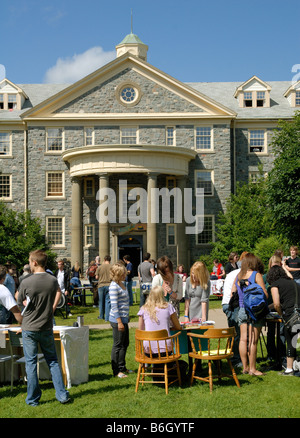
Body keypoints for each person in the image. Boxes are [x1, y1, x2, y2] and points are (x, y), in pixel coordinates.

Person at [17, 250, 70, 406]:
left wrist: (26, 304)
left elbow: (19, 301)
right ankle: (62, 395)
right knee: (53, 361)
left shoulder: (26, 282)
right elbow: (58, 294)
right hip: (46, 326)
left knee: (31, 363)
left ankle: (33, 399)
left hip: (29, 327)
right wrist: (52, 307)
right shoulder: (52, 280)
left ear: (34, 262)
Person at [230, 253, 268, 376]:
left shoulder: (239, 276)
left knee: (243, 339)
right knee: (253, 340)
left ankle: (245, 367)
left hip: (241, 309)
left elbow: (232, 294)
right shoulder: (256, 275)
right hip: (254, 310)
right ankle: (253, 369)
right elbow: (264, 294)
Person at [267, 265, 300, 376]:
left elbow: (277, 303)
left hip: (290, 316)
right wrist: (268, 307)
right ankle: (291, 368)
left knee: (291, 340)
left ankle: (289, 369)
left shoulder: (275, 284)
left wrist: (280, 313)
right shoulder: (294, 283)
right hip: (298, 313)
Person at [138, 285, 182, 352]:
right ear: (162, 295)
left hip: (148, 349)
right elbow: (178, 327)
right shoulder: (168, 307)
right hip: (166, 349)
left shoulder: (143, 309)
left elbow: (140, 331)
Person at [109, 262, 131, 378]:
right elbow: (114, 305)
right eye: (122, 273)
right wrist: (119, 322)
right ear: (117, 274)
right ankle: (116, 370)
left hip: (124, 318)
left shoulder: (122, 284)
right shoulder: (113, 286)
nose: (125, 274)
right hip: (117, 319)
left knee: (125, 343)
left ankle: (122, 367)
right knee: (117, 344)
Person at [222, 266, 241, 366]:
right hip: (231, 304)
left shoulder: (232, 273)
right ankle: (235, 359)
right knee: (236, 333)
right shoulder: (240, 273)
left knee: (233, 333)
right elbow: (234, 292)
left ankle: (234, 357)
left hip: (226, 303)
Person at [95, 255, 111, 321]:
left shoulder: (100, 267)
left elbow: (96, 277)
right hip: (109, 285)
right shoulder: (112, 267)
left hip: (101, 285)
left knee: (101, 301)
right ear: (110, 260)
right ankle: (107, 318)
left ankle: (101, 316)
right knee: (108, 301)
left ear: (104, 260)